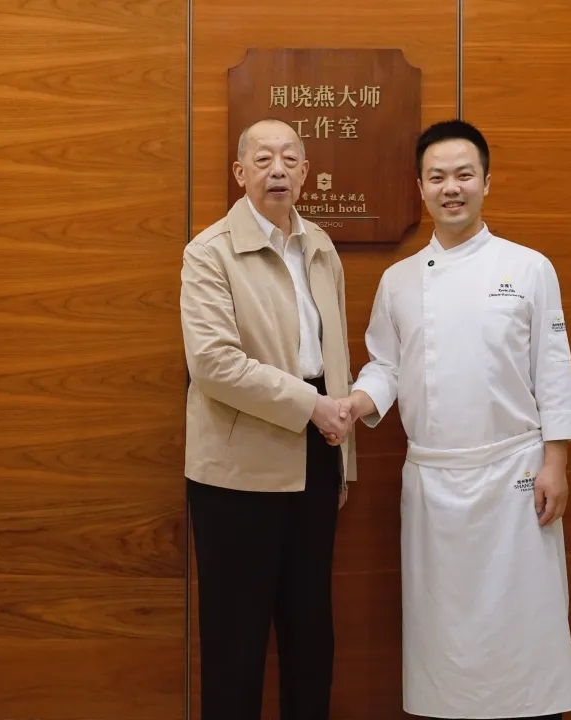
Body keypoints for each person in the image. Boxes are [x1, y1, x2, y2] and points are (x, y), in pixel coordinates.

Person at [327, 119, 571, 719]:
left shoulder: (529, 268)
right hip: (434, 484)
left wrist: (556, 462)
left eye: (464, 175)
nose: (451, 188)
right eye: (437, 177)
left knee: (525, 625)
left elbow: (553, 368)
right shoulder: (399, 281)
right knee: (443, 634)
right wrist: (355, 403)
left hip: (516, 477)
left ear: (487, 182)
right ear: (420, 187)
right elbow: (386, 366)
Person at [179, 117, 357, 720]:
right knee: (236, 642)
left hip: (317, 452)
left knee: (311, 634)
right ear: (240, 172)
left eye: (288, 159)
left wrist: (342, 462)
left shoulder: (320, 247)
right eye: (262, 159)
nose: (277, 169)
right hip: (237, 467)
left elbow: (335, 356)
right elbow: (213, 365)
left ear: (305, 172)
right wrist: (311, 406)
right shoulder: (209, 252)